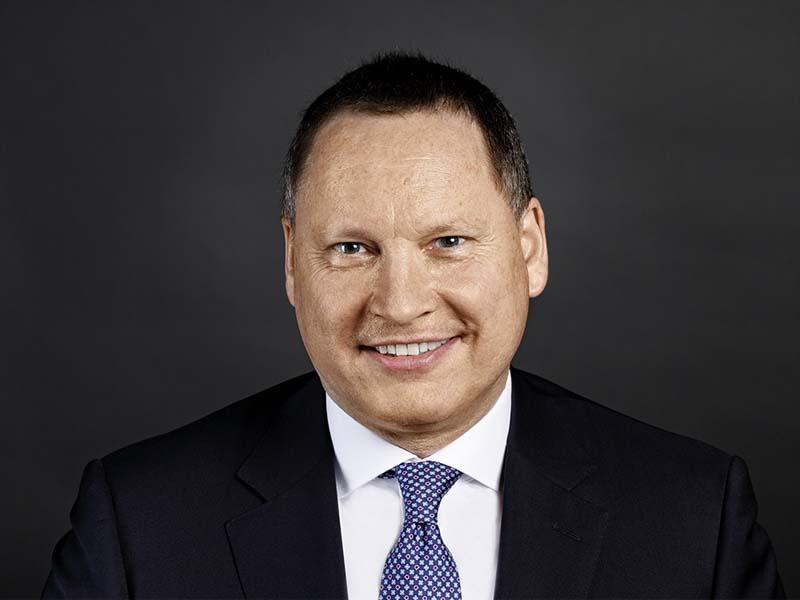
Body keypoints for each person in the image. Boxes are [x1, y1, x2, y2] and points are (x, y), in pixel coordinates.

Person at [42, 52, 785, 599]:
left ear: (529, 248)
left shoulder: (694, 518)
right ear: (292, 264)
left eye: (448, 242)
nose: (400, 304)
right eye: (351, 248)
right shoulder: (139, 523)